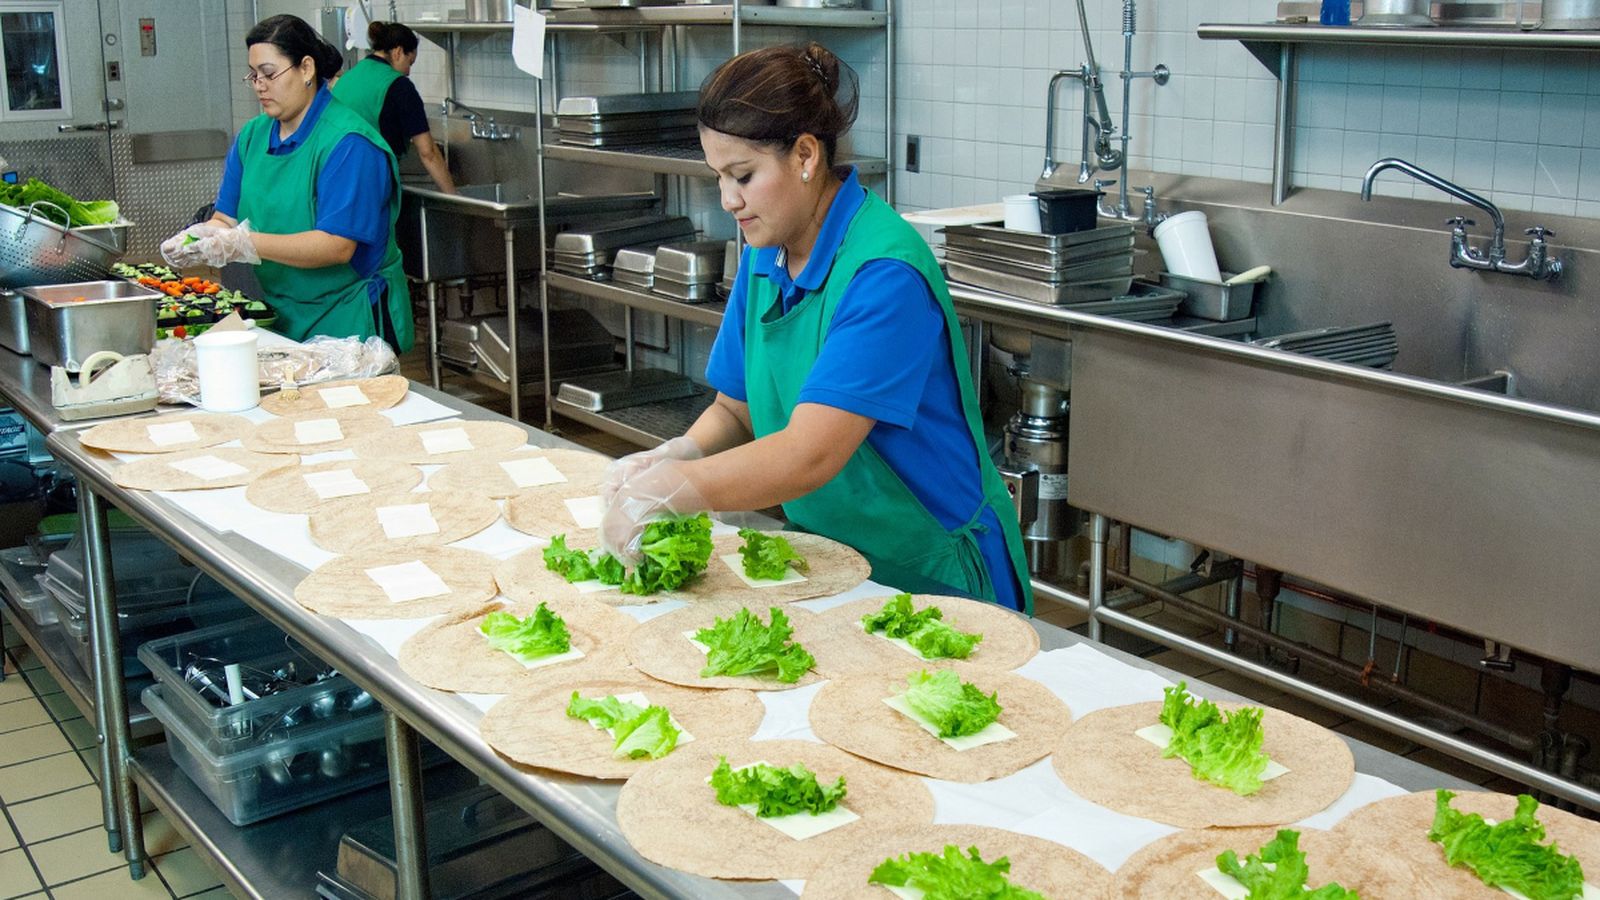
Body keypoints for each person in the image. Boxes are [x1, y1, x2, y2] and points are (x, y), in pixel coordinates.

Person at [599, 43, 1032, 612]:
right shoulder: (766, 249)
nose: (729, 200)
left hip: (932, 571)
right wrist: (680, 454)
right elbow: (739, 409)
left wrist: (682, 492)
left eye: (744, 176)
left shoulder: (883, 273)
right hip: (832, 563)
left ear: (805, 155)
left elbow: (810, 455)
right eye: (718, 178)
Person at [160, 14, 412, 352]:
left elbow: (336, 246)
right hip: (282, 315)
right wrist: (201, 237)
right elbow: (226, 218)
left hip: (349, 322)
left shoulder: (349, 143)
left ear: (306, 69)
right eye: (253, 75)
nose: (259, 85)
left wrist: (243, 243)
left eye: (268, 73)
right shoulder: (253, 137)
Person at [331, 21, 456, 195]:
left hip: (333, 180)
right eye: (410, 63)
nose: (408, 72)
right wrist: (453, 196)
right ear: (398, 52)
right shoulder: (399, 86)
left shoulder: (347, 78)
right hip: (368, 184)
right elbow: (429, 153)